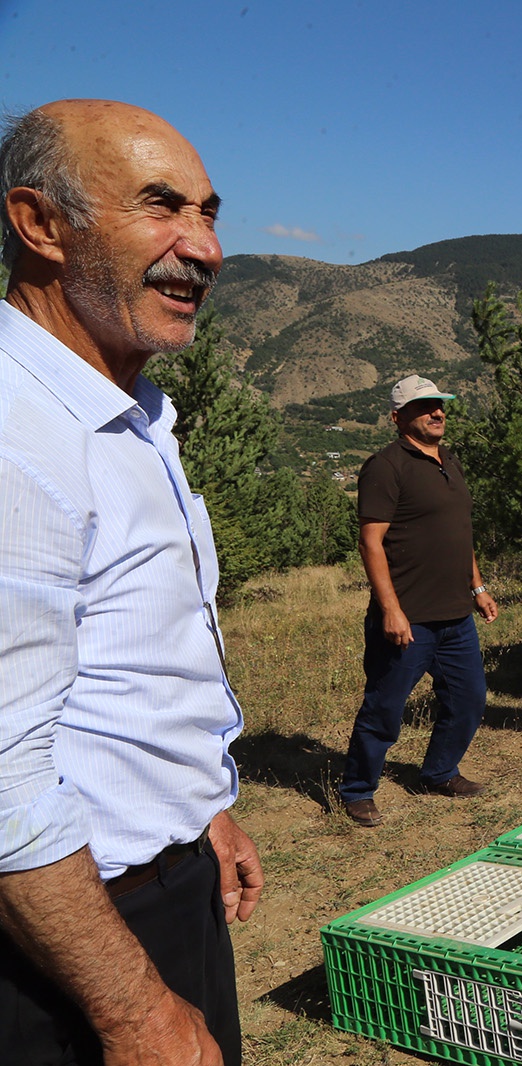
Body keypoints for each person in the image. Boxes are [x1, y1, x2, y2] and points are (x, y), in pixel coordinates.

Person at [0, 100, 263, 1065]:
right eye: (162, 208)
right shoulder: (16, 438)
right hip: (64, 943)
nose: (206, 248)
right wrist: (132, 1012)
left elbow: (130, 660)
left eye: (207, 211)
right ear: (40, 226)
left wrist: (197, 812)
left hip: (161, 889)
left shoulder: (133, 411)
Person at [338, 374, 498, 827]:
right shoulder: (386, 466)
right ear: (398, 417)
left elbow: (458, 532)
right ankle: (357, 790)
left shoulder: (449, 460)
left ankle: (439, 772)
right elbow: (371, 543)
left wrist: (478, 587)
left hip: (455, 615)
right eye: (425, 406)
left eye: (440, 405)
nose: (437, 412)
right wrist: (390, 608)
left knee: (469, 699)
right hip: (409, 619)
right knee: (385, 708)